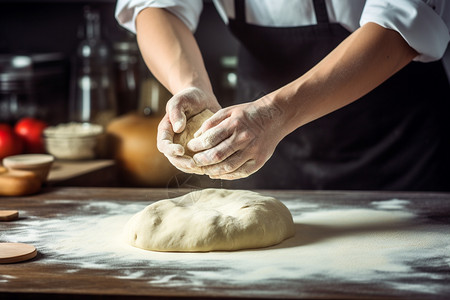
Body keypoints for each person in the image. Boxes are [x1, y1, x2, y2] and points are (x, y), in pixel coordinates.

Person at [115, 0, 450, 191]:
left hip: (397, 148)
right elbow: (156, 6)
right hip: (266, 157)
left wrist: (274, 114)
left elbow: (405, 20)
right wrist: (190, 85)